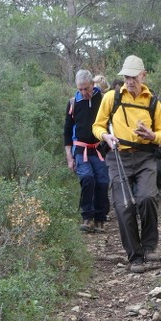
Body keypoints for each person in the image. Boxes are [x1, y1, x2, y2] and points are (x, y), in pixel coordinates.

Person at [93, 54, 161, 274]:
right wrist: (105, 137)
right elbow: (97, 126)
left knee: (147, 198)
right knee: (123, 206)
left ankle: (149, 246)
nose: (129, 81)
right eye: (126, 77)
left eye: (134, 77)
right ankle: (135, 257)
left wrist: (152, 135)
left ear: (143, 76)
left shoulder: (153, 102)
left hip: (146, 156)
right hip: (118, 158)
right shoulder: (111, 97)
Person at [63, 69, 110, 233]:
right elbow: (67, 131)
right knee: (88, 178)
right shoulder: (73, 103)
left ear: (92, 84)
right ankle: (87, 217)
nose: (83, 92)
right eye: (80, 89)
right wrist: (69, 157)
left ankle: (100, 218)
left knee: (103, 182)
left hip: (98, 149)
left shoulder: (103, 100)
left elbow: (111, 124)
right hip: (80, 149)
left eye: (86, 88)